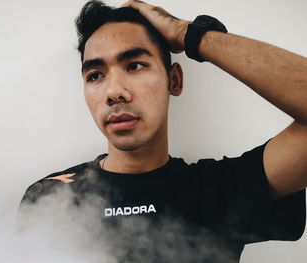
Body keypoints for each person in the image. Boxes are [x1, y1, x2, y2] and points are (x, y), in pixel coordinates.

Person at [18, 0, 307, 262]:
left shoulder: (219, 189)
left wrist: (188, 33)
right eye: (95, 75)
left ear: (174, 81)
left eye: (135, 65)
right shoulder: (51, 196)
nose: (114, 92)